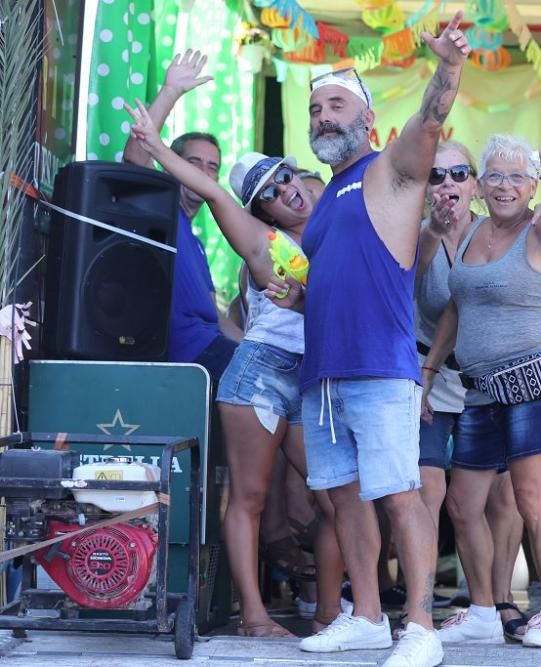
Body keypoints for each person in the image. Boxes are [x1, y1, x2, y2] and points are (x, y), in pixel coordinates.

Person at [266, 13, 470, 667]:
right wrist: (301, 296)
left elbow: (432, 118)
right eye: (316, 107)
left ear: (371, 121)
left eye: (337, 105)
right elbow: (341, 275)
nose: (323, 116)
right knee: (342, 495)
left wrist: (449, 65)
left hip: (380, 365)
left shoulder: (391, 171)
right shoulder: (324, 198)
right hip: (324, 371)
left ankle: (419, 625)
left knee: (398, 494)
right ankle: (368, 616)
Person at [127, 104, 347, 638]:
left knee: (337, 498)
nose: (286, 190)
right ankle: (253, 615)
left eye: (287, 176)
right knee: (249, 496)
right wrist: (156, 148)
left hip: (311, 377)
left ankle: (330, 616)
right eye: (270, 191)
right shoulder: (261, 242)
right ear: (262, 209)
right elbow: (220, 196)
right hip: (260, 374)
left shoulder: (333, 228)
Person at [422, 134, 541, 648]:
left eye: (517, 177)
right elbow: (455, 308)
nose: (505, 185)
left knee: (532, 501)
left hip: (534, 383)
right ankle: (485, 607)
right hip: (478, 390)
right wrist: (428, 372)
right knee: (463, 506)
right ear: (481, 186)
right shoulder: (472, 232)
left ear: (532, 185)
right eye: (495, 176)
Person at [416, 140, 527, 639]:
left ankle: (500, 602)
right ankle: (423, 606)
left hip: (490, 377)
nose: (448, 185)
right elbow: (401, 287)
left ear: (475, 185)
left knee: (505, 501)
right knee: (431, 494)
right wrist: (430, 236)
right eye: (436, 176)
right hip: (429, 373)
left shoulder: (497, 233)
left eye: (459, 174)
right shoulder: (414, 235)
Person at [121, 49, 241, 380]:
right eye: (194, 163)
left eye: (212, 166)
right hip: (186, 357)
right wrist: (170, 91)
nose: (204, 172)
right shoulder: (158, 213)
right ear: (170, 164)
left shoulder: (197, 243)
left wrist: (255, 349)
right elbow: (135, 159)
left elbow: (216, 318)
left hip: (212, 345)